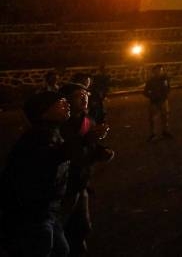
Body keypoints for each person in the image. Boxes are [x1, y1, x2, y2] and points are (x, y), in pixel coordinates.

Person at [0, 90, 72, 256]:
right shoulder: (37, 136)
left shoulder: (52, 131)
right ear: (44, 111)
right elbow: (48, 159)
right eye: (61, 102)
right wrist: (85, 141)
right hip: (31, 215)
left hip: (46, 210)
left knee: (61, 249)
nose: (67, 104)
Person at [58, 82, 114, 256]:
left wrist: (101, 152)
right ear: (65, 101)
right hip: (62, 186)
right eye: (78, 95)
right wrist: (88, 139)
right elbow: (64, 154)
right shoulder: (59, 125)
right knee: (57, 228)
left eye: (86, 95)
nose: (84, 98)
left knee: (82, 226)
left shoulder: (88, 120)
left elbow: (89, 147)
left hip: (80, 182)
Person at [142, 65, 172, 141]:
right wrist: (152, 96)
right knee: (153, 118)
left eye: (160, 70)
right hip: (154, 101)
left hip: (163, 100)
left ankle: (165, 131)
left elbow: (168, 88)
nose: (159, 72)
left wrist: (165, 94)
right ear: (154, 72)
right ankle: (154, 134)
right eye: (158, 70)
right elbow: (145, 92)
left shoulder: (165, 79)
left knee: (165, 117)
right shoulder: (151, 81)